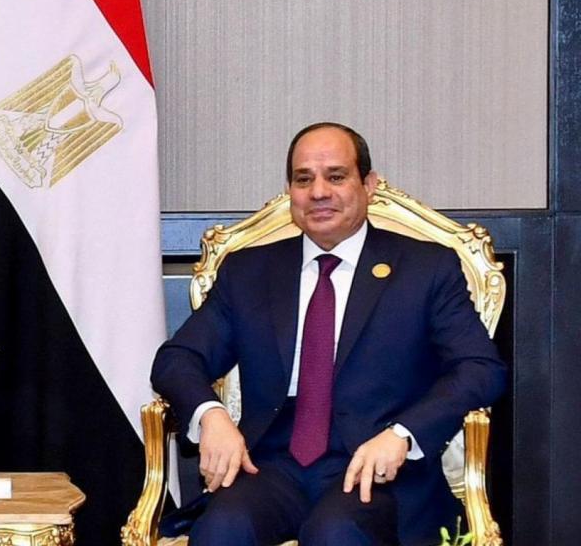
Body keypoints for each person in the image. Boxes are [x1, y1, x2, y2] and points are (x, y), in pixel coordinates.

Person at [150, 123, 506, 546]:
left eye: (336, 176)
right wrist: (212, 415)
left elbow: (480, 368)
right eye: (304, 179)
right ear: (290, 192)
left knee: (336, 533)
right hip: (270, 464)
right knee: (222, 528)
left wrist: (402, 434)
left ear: (368, 185)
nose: (319, 192)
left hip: (377, 467)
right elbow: (177, 359)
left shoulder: (425, 268)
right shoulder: (249, 271)